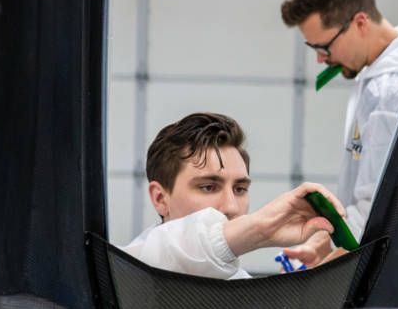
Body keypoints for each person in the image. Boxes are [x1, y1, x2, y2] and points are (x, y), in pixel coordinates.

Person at [281, 0, 398, 265]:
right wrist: (322, 243)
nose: (322, 59)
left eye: (324, 46)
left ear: (360, 22)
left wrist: (330, 266)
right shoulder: (375, 74)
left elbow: (375, 201)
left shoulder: (397, 87)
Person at [122, 112, 344, 279]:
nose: (231, 207)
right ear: (160, 199)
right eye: (208, 187)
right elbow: (176, 250)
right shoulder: (131, 270)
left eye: (240, 189)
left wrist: (307, 291)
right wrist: (261, 228)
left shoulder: (240, 282)